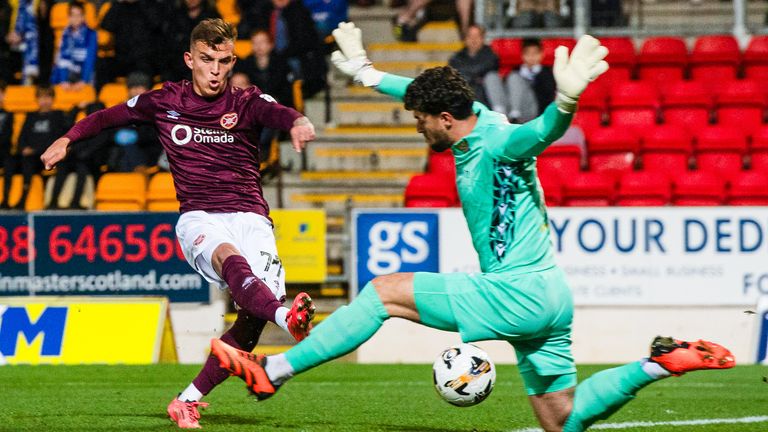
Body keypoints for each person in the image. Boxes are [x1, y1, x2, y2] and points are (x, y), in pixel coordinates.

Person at [211, 22, 736, 432]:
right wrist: (368, 75)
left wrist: (566, 101)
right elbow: (418, 93)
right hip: (551, 295)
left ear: (443, 118)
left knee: (383, 293)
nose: (416, 127)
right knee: (563, 420)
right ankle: (660, 363)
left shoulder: (497, 144)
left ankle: (272, 372)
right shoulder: (477, 115)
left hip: (514, 292)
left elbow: (541, 132)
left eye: (421, 121)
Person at [40, 18, 318, 429]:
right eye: (206, 59)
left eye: (223, 61)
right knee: (229, 257)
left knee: (248, 321)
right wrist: (67, 138)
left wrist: (297, 121)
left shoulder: (246, 101)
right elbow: (108, 117)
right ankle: (285, 318)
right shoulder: (165, 101)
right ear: (189, 59)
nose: (215, 70)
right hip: (199, 217)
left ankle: (187, 399)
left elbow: (277, 112)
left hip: (252, 216)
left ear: (233, 60)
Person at [47, 101, 110, 209]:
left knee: (82, 167)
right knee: (62, 167)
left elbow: (96, 147)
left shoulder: (106, 128)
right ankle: (53, 202)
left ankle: (75, 202)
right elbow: (67, 125)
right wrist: (76, 109)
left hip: (95, 161)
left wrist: (79, 154)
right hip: (78, 157)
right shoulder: (84, 126)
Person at [15, 85, 69, 209]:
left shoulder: (59, 115)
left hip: (52, 155)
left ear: (53, 99)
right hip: (33, 156)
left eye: (48, 97)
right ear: (37, 99)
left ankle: (53, 201)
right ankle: (23, 200)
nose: (45, 101)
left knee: (63, 165)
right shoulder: (30, 116)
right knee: (23, 162)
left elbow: (62, 137)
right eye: (41, 97)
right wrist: (23, 148)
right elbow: (22, 137)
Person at [487, 38, 556, 123]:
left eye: (535, 53)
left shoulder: (547, 73)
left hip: (532, 110)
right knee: (491, 76)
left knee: (514, 78)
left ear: (542, 54)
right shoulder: (515, 70)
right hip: (509, 107)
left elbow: (548, 96)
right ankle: (500, 113)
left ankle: (515, 115)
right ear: (522, 55)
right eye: (528, 54)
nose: (531, 57)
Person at [162, 0, 221, 82]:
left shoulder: (213, 17)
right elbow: (168, 46)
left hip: (205, 64)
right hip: (176, 65)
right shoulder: (174, 16)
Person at [448, 24, 498, 108]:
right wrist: (475, 78)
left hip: (485, 98)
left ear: (483, 38)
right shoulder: (456, 57)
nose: (473, 39)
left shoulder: (491, 55)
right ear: (465, 38)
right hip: (463, 95)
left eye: (477, 36)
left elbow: (489, 67)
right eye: (470, 36)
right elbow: (454, 71)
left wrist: (466, 76)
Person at [51, 0, 98, 88]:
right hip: (67, 73)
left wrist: (84, 81)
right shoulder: (65, 34)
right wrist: (63, 81)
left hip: (83, 73)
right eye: (72, 15)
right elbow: (62, 59)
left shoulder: (91, 34)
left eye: (78, 15)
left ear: (83, 17)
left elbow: (89, 59)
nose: (75, 18)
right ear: (69, 17)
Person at [0, 82, 15, 209]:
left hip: (4, 150)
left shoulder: (8, 114)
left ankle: (5, 200)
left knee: (9, 163)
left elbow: (8, 135)